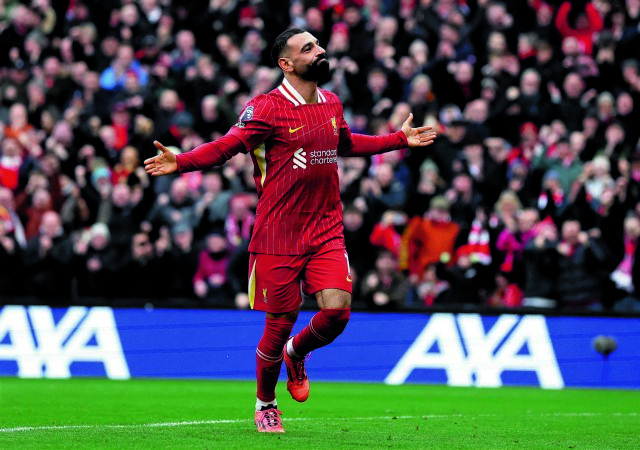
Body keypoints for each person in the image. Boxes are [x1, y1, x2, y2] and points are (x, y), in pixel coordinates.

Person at [144, 28, 437, 434]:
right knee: (278, 324)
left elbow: (346, 144)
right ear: (286, 63)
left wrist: (398, 140)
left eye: (318, 44)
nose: (320, 50)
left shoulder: (331, 102)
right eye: (308, 48)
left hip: (325, 227)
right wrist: (182, 162)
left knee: (337, 312)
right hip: (278, 234)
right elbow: (227, 146)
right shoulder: (265, 108)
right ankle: (266, 404)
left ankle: (296, 353)